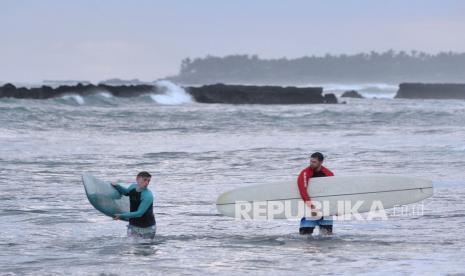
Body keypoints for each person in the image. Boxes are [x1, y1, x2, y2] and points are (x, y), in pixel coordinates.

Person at [297, 152, 334, 235]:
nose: (311, 164)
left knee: (327, 238)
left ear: (321, 162)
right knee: (304, 237)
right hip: (309, 210)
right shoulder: (305, 173)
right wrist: (312, 207)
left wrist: (335, 209)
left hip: (326, 209)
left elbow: (333, 193)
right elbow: (303, 191)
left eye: (314, 162)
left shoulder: (329, 174)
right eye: (310, 161)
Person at [111, 171, 156, 239]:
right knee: (132, 246)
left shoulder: (148, 196)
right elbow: (126, 192)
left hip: (147, 228)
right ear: (137, 179)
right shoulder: (132, 187)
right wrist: (116, 186)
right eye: (144, 180)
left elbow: (139, 213)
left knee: (145, 248)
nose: (147, 183)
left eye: (148, 181)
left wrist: (121, 215)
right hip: (133, 225)